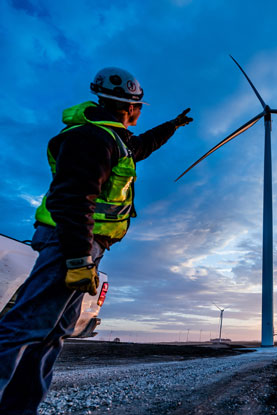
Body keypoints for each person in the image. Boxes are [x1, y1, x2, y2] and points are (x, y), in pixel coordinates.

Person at [0, 67, 193, 414]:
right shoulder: (92, 138)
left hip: (83, 245)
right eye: (139, 107)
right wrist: (77, 258)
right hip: (71, 243)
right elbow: (72, 198)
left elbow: (141, 147)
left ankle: (19, 408)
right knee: (24, 327)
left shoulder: (114, 139)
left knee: (52, 333)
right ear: (131, 107)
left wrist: (173, 127)